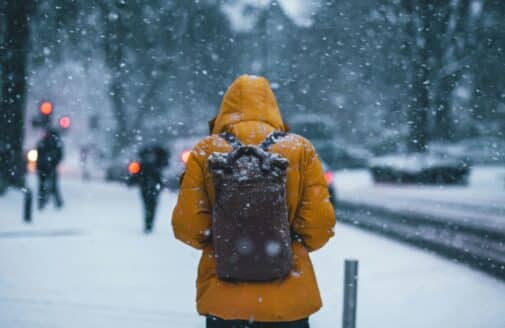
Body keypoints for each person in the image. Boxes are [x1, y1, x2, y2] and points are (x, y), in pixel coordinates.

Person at [172, 75, 336, 327]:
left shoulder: (206, 151)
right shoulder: (300, 149)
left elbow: (188, 227)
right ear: (272, 107)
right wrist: (284, 245)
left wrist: (227, 242)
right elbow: (319, 226)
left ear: (225, 109)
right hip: (288, 302)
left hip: (224, 301)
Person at [129, 144, 168, 233]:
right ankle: (149, 223)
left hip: (147, 185)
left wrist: (133, 180)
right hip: (151, 185)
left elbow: (136, 173)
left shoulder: (145, 161)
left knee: (148, 204)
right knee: (151, 205)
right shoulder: (157, 161)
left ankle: (148, 223)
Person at [36, 128, 64, 209]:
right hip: (48, 167)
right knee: (53, 186)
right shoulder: (55, 143)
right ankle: (57, 202)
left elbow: (39, 153)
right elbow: (59, 156)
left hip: (43, 168)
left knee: (43, 186)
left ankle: (42, 202)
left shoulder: (44, 142)